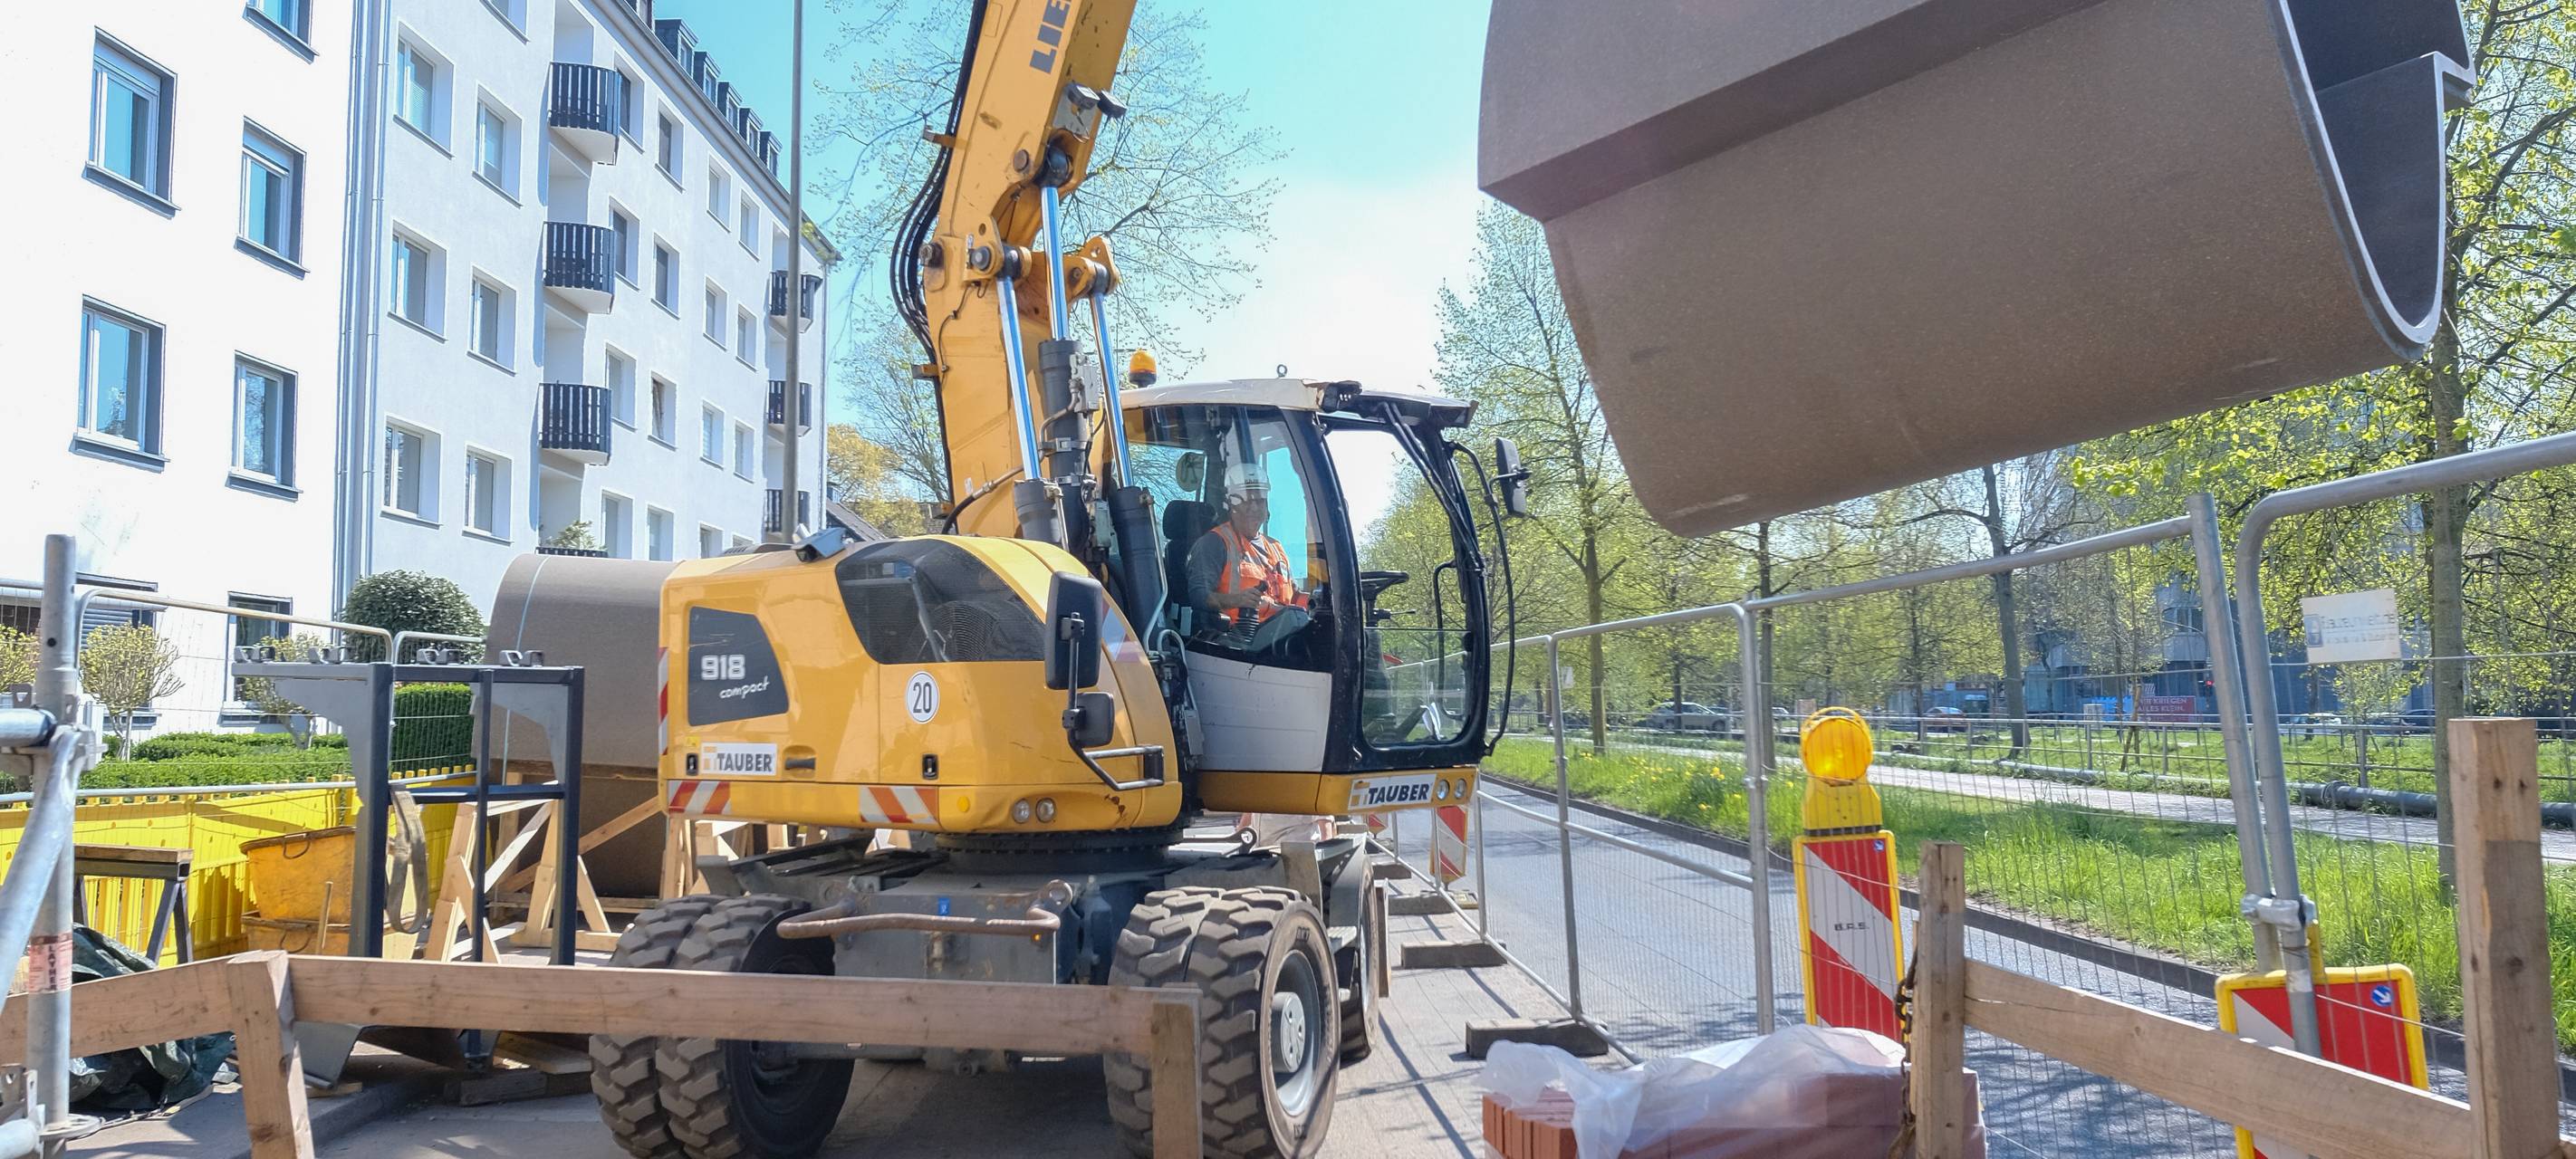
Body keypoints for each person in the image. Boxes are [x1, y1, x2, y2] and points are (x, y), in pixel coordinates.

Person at [1187, 474, 1312, 652]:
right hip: (1238, 647)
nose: (1254, 507)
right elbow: (1199, 595)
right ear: (1232, 505)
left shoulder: (1276, 548)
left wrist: (1313, 600)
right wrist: (1236, 600)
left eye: (1260, 501)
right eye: (1246, 500)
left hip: (1283, 641)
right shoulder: (1215, 543)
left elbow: (1291, 595)